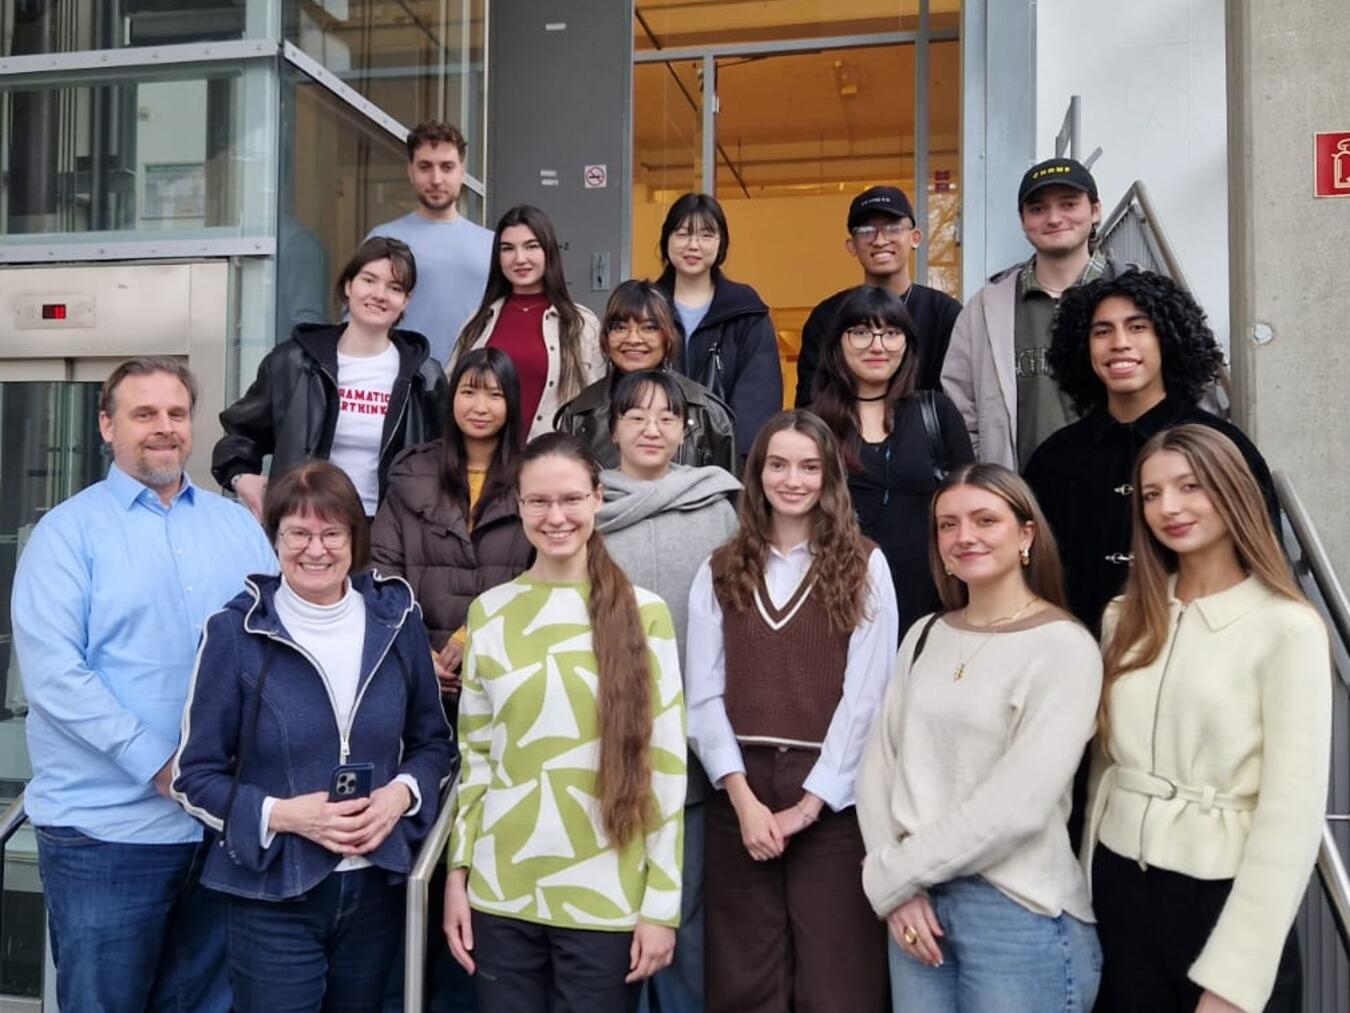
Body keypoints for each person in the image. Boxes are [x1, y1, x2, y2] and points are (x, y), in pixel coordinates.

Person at [10, 358, 278, 1012]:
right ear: (106, 425)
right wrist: (162, 766)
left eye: (177, 413)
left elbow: (277, 646)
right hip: (105, 837)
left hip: (217, 834)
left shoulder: (236, 527)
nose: (164, 429)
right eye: (144, 413)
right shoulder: (66, 534)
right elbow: (55, 676)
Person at [172, 461, 454, 1012]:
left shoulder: (397, 621)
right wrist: (284, 814)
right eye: (297, 533)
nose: (315, 549)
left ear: (355, 537)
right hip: (273, 890)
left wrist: (400, 795)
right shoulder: (235, 632)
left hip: (377, 886)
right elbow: (194, 777)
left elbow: (433, 744)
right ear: (274, 538)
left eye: (331, 532)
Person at [1085, 425, 1330, 1013]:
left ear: (1232, 492)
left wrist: (1235, 980)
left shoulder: (1287, 628)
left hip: (1222, 898)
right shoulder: (1124, 616)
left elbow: (1291, 818)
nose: (1168, 508)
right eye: (1150, 494)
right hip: (1120, 889)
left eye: (1190, 486)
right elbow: (1103, 770)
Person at [443, 432, 686, 1013]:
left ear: (598, 499)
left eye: (572, 499)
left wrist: (661, 905)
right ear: (518, 506)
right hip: (501, 893)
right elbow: (475, 759)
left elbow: (666, 767)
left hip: (606, 897)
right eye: (539, 502)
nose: (557, 517)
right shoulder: (490, 612)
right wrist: (458, 873)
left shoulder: (644, 613)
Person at [856, 463, 1102, 1013]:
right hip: (916, 910)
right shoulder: (924, 635)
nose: (964, 537)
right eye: (947, 525)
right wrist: (898, 890)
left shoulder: (1063, 647)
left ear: (1026, 534)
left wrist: (892, 874)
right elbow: (878, 767)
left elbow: (1016, 805)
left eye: (984, 519)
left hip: (1018, 914)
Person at [686, 410, 899, 1013]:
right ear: (756, 476)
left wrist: (809, 806)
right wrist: (744, 801)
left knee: (838, 979)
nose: (793, 479)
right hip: (742, 792)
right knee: (743, 977)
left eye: (809, 466)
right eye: (777, 465)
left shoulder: (864, 565)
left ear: (829, 476)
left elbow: (868, 698)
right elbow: (703, 695)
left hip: (832, 799)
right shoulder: (720, 567)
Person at [595, 370, 741, 1013]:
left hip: (691, 754)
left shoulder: (718, 508)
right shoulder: (585, 510)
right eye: (636, 417)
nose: (652, 429)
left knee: (683, 920)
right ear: (613, 429)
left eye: (666, 418)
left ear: (686, 430)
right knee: (606, 924)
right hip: (603, 745)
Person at [1025, 270, 1278, 634]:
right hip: (1081, 655)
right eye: (1102, 332)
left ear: (1167, 338)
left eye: (1138, 327)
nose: (1119, 343)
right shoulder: (1054, 459)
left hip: (1200, 654)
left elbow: (1263, 563)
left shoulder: (1222, 446)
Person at [213, 236, 449, 520]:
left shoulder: (424, 376)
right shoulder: (293, 362)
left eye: (395, 287)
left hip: (392, 534)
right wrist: (242, 478)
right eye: (369, 280)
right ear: (349, 286)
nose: (380, 294)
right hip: (307, 524)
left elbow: (447, 458)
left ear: (406, 301)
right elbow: (241, 433)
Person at [941, 157, 1131, 469]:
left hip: (1122, 493)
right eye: (1038, 209)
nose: (1054, 219)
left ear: (1095, 210)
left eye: (1069, 204)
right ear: (1022, 219)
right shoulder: (986, 308)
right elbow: (959, 405)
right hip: (1022, 497)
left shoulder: (1137, 297)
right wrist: (988, 476)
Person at [371, 347, 534, 707]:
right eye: (468, 392)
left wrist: (471, 634)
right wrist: (418, 650)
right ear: (452, 397)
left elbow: (539, 574)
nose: (480, 407)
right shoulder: (413, 471)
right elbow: (382, 570)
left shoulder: (535, 478)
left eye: (495, 395)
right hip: (415, 670)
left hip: (507, 668)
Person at [809, 285, 974, 634]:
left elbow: (967, 508)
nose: (877, 345)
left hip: (932, 607)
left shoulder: (936, 414)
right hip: (837, 608)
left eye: (891, 333)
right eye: (861, 332)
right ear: (838, 341)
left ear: (907, 343)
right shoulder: (813, 426)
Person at [795, 186, 961, 404]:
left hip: (925, 436)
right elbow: (811, 404)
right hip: (843, 436)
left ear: (915, 237)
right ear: (851, 245)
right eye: (866, 231)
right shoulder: (827, 317)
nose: (880, 240)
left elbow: (960, 398)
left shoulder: (944, 313)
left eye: (893, 228)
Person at [453, 205, 606, 440]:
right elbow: (452, 392)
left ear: (548, 251)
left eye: (531, 246)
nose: (519, 258)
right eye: (507, 249)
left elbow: (599, 405)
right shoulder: (477, 321)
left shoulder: (581, 323)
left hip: (554, 463)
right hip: (486, 462)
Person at [555, 279, 737, 471]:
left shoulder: (706, 412)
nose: (633, 339)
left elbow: (733, 496)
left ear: (668, 335)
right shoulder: (579, 414)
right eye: (619, 327)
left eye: (649, 327)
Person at [655, 193, 783, 458]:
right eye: (682, 234)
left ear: (721, 242)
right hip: (654, 454)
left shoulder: (746, 310)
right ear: (666, 240)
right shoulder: (646, 307)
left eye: (705, 235)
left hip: (725, 461)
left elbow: (758, 399)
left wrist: (734, 464)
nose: (693, 245)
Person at [364, 121, 494, 364]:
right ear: (411, 171)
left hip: (475, 389)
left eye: (447, 167)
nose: (436, 179)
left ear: (462, 172)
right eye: (425, 167)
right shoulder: (382, 240)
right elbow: (357, 324)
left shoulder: (494, 245)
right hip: (402, 384)